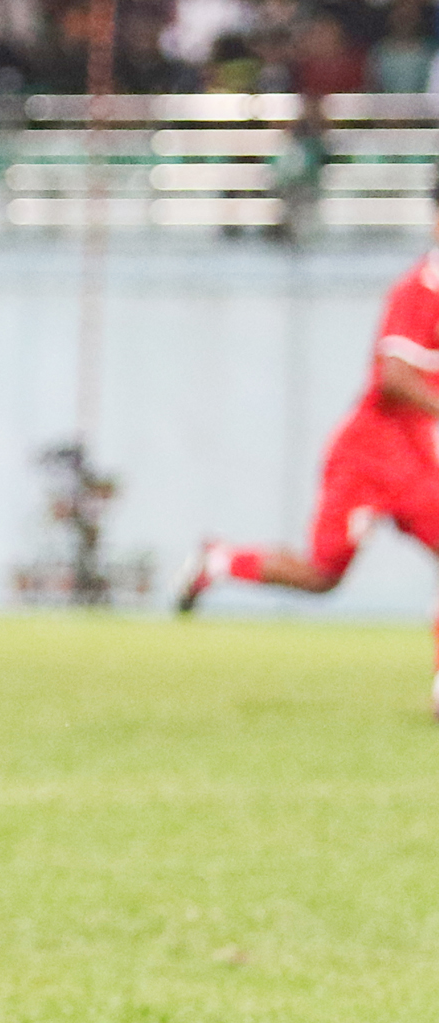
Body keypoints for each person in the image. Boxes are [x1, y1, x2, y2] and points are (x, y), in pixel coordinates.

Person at [178, 197, 439, 717]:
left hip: (416, 460)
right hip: (372, 456)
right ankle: (220, 561)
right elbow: (393, 376)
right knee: (322, 575)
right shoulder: (421, 287)